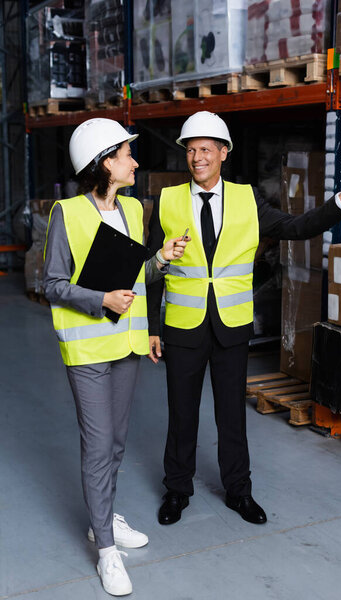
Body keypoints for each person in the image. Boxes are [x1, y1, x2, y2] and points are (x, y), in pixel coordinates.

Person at [146, 110, 341, 527]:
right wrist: (150, 327)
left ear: (223, 153)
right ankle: (176, 489)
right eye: (190, 150)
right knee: (181, 413)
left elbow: (297, 226)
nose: (197, 157)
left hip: (230, 327)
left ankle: (239, 492)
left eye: (205, 149)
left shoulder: (246, 199)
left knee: (231, 416)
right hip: (182, 327)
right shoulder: (166, 201)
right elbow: (150, 268)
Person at [43, 117, 189, 597]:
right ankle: (106, 549)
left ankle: (101, 519)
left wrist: (161, 258)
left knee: (119, 441)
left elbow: (134, 273)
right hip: (87, 346)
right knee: (99, 443)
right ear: (106, 162)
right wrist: (100, 300)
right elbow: (52, 284)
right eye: (127, 154)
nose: (135, 161)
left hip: (126, 345)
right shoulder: (67, 212)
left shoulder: (132, 209)